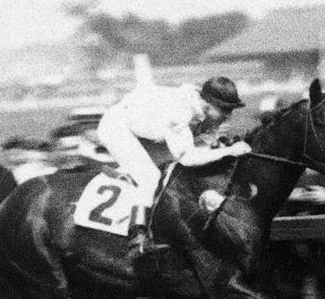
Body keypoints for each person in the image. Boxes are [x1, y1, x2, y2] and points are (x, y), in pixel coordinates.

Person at [95, 76, 251, 261]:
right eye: (224, 109)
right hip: (117, 127)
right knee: (150, 176)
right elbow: (188, 158)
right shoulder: (180, 112)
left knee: (169, 170)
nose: (228, 115)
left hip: (148, 131)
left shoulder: (204, 112)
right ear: (207, 104)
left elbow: (208, 146)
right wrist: (231, 151)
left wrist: (223, 148)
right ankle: (137, 236)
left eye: (231, 109)